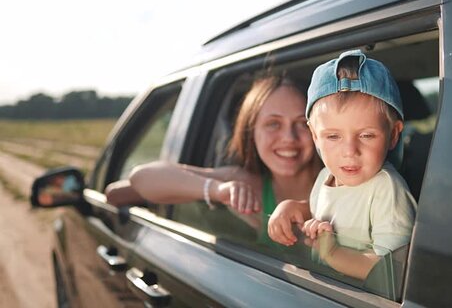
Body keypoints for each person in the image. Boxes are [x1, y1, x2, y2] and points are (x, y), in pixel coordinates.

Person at [268, 50, 417, 280]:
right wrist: (295, 207)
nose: (349, 151)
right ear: (314, 135)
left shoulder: (387, 190)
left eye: (367, 135)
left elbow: (392, 271)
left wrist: (333, 253)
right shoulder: (325, 176)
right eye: (333, 137)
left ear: (394, 134)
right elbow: (326, 208)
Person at [105, 74, 322, 232]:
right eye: (273, 124)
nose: (288, 138)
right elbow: (135, 181)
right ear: (251, 132)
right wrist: (217, 190)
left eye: (302, 123)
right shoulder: (244, 182)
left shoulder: (339, 180)